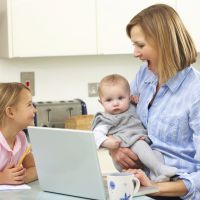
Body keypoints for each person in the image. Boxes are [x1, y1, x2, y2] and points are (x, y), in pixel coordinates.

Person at [109, 4, 200, 199]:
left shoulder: (196, 92)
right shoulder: (145, 75)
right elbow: (121, 117)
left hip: (175, 192)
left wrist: (155, 186)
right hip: (142, 188)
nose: (135, 53)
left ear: (164, 43)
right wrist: (116, 150)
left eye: (140, 45)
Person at [92, 74, 177, 182]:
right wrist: (107, 142)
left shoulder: (132, 107)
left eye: (121, 98)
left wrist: (138, 101)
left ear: (129, 96)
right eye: (109, 100)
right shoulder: (106, 119)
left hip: (142, 147)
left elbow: (146, 109)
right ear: (101, 102)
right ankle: (159, 169)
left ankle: (155, 177)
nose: (115, 103)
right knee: (140, 144)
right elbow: (95, 134)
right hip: (125, 152)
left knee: (157, 153)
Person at [0, 82, 38, 184]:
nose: (35, 110)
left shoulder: (21, 138)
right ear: (11, 112)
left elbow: (34, 167)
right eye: (29, 105)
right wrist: (2, 178)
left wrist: (21, 177)